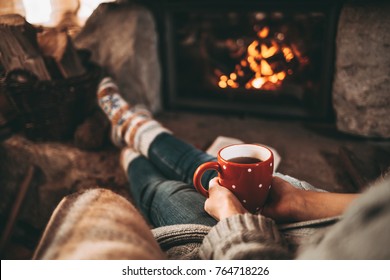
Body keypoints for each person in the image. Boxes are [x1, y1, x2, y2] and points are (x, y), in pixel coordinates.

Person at [33, 77, 390, 260]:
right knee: (204, 167)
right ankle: (132, 128)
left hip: (241, 243)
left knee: (165, 190)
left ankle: (128, 143)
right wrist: (303, 202)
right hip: (308, 215)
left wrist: (234, 217)